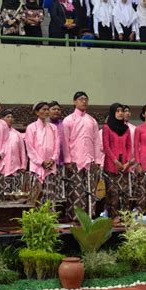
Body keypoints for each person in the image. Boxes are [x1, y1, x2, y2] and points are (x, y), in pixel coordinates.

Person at [62, 91, 101, 220]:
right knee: (76, 191)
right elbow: (65, 141)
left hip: (90, 162)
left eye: (86, 99)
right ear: (74, 102)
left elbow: (96, 142)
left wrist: (98, 160)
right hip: (74, 161)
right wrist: (67, 160)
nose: (84, 101)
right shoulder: (68, 120)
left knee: (90, 191)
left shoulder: (92, 121)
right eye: (81, 99)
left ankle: (90, 216)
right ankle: (75, 218)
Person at [25, 102, 60, 204]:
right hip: (37, 167)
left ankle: (50, 218)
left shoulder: (53, 128)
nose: (46, 112)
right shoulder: (31, 127)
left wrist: (53, 159)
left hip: (50, 166)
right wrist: (41, 162)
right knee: (36, 196)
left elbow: (56, 146)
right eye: (43, 109)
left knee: (50, 194)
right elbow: (30, 148)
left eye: (47, 109)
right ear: (37, 112)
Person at [102, 103, 132, 221]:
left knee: (124, 192)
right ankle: (113, 216)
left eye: (122, 111)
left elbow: (129, 147)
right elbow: (106, 147)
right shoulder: (107, 127)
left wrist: (128, 162)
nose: (121, 113)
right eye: (118, 111)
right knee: (113, 193)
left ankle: (125, 216)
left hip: (124, 165)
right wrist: (115, 161)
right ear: (113, 113)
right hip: (111, 165)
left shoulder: (126, 129)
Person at [1, 109, 27, 194]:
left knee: (16, 193)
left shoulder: (17, 134)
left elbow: (22, 151)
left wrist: (23, 165)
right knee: (4, 193)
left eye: (12, 117)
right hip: (3, 167)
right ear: (2, 119)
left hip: (16, 167)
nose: (10, 119)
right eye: (8, 117)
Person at [49, 101, 66, 201]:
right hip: (49, 163)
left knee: (62, 189)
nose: (56, 111)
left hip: (63, 161)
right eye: (54, 109)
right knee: (51, 190)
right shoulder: (46, 124)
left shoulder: (65, 124)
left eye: (58, 109)